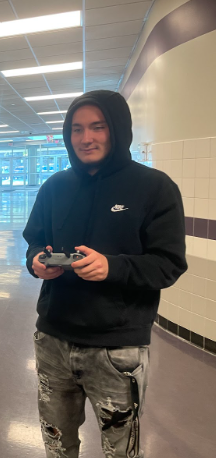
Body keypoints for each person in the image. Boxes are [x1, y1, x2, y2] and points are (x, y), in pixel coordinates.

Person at [22, 90, 187, 458]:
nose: (86, 138)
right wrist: (36, 262)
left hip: (117, 348)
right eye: (77, 129)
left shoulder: (154, 187)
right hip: (54, 339)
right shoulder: (54, 187)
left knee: (120, 449)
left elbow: (169, 263)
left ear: (117, 130)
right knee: (56, 442)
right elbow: (34, 242)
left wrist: (112, 266)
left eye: (98, 127)